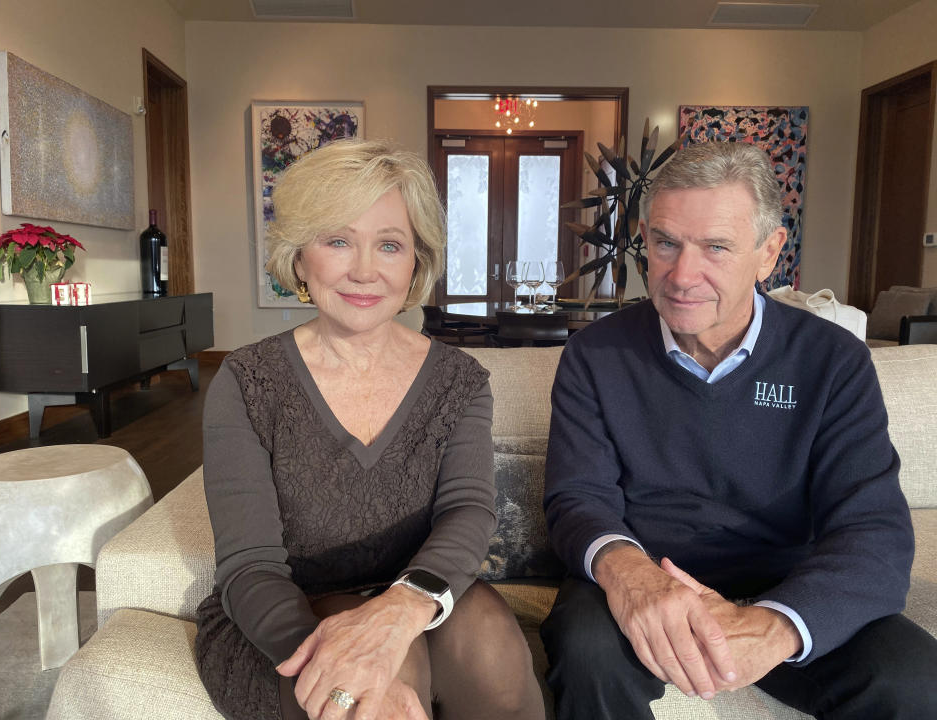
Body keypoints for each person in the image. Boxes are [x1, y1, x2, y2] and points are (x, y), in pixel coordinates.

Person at [540, 141, 937, 720]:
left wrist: (775, 625)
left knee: (917, 681)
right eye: (666, 243)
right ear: (644, 237)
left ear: (768, 252)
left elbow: (874, 532)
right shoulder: (595, 354)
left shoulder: (833, 361)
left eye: (716, 248)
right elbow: (577, 498)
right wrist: (631, 577)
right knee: (585, 650)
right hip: (648, 574)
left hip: (791, 580)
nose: (681, 275)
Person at [194, 138, 544, 720]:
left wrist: (402, 606)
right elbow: (249, 566)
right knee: (375, 680)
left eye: (389, 245)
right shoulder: (247, 380)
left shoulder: (459, 382)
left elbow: (468, 513)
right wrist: (341, 657)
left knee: (487, 633)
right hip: (288, 619)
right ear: (300, 257)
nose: (363, 270)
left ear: (416, 263)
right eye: (338, 241)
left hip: (417, 593)